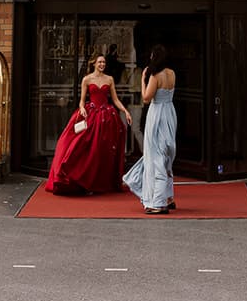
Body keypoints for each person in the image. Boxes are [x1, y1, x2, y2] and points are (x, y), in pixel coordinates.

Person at [45, 52, 132, 195]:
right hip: (91, 114)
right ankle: (83, 179)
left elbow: (115, 99)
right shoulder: (87, 79)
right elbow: (81, 99)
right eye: (100, 62)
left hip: (106, 116)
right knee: (85, 146)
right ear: (94, 64)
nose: (102, 65)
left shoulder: (109, 79)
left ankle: (100, 181)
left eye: (104, 62)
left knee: (103, 149)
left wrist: (125, 111)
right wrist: (81, 108)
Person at [124, 44, 176, 214]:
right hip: (170, 112)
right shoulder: (171, 73)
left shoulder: (156, 75)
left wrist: (142, 80)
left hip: (157, 113)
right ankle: (169, 197)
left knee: (156, 155)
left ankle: (158, 202)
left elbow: (146, 98)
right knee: (167, 153)